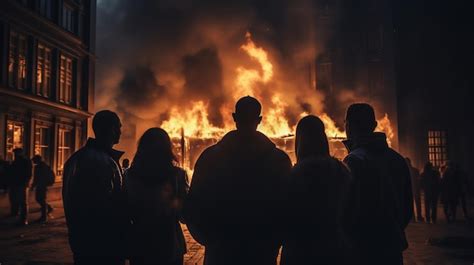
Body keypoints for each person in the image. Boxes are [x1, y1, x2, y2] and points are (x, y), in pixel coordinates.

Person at [184, 96, 292, 265]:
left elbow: (194, 205)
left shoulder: (210, 158)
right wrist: (273, 241)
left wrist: (210, 239)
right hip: (261, 252)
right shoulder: (279, 160)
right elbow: (288, 208)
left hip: (221, 252)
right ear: (259, 120)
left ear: (234, 117)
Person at [342, 103, 412, 265]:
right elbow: (407, 208)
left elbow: (348, 210)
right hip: (392, 246)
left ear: (348, 126)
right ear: (373, 125)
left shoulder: (354, 161)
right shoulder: (398, 160)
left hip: (363, 250)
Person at [281, 115, 352, 265]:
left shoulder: (294, 176)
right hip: (335, 249)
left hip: (300, 252)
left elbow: (285, 217)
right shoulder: (341, 172)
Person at [62, 110, 129, 265]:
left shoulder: (77, 158)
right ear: (111, 129)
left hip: (83, 242)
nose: (120, 131)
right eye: (118, 127)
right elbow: (104, 207)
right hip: (104, 245)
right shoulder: (101, 162)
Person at [125, 128, 188, 265]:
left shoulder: (129, 176)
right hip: (169, 243)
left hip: (140, 242)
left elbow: (124, 211)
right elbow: (184, 214)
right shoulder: (177, 175)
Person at [7, 148, 33, 225]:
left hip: (21, 183)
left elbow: (29, 173)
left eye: (16, 153)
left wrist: (26, 182)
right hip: (16, 183)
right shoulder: (15, 162)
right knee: (15, 199)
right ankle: (17, 214)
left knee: (23, 201)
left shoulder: (25, 162)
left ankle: (24, 219)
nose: (15, 155)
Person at [31, 155, 55, 223]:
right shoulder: (45, 166)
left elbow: (37, 177)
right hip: (43, 185)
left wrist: (33, 185)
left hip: (41, 185)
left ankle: (44, 216)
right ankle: (48, 208)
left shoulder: (39, 167)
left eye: (34, 160)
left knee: (40, 199)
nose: (33, 161)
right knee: (41, 199)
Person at [406, 158, 423, 222]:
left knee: (410, 204)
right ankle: (419, 216)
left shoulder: (404, 171)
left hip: (409, 190)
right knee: (418, 204)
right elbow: (419, 180)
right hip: (416, 189)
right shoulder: (415, 170)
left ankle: (412, 217)